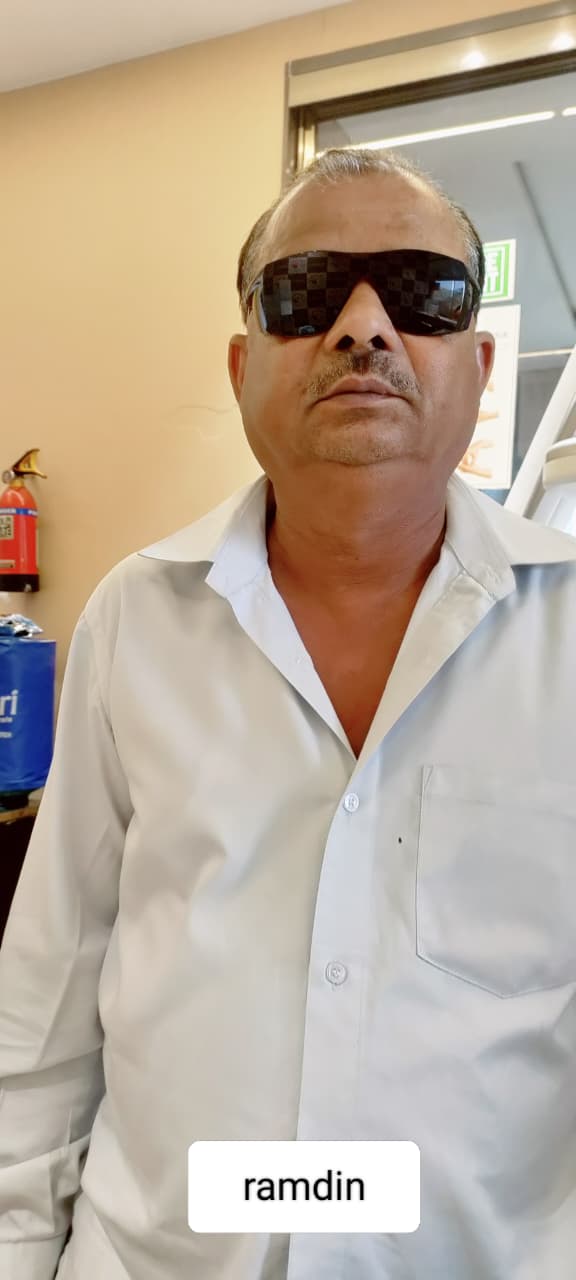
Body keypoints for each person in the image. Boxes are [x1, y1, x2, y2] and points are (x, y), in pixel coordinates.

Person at [1, 148, 576, 1280]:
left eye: (422, 292)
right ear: (241, 365)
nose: (363, 326)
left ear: (479, 365)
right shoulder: (134, 618)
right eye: (306, 291)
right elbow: (45, 1017)